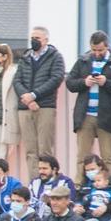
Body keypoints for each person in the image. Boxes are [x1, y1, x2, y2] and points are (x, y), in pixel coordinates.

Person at [65, 30, 111, 175]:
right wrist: (84, 82)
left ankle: (108, 185)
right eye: (94, 50)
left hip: (106, 116)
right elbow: (70, 83)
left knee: (107, 157)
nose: (97, 53)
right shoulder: (83, 61)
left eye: (100, 50)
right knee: (82, 156)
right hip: (85, 115)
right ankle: (80, 185)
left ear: (107, 47)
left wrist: (107, 83)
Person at [12, 26, 65, 180]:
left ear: (46, 40)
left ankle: (47, 182)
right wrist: (26, 97)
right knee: (30, 149)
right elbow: (17, 80)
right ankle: (34, 183)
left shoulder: (55, 57)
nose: (34, 41)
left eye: (38, 38)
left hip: (45, 106)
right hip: (24, 108)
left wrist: (35, 95)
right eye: (32, 38)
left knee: (45, 149)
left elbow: (56, 79)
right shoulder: (25, 57)